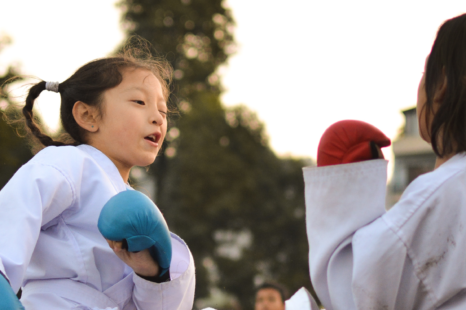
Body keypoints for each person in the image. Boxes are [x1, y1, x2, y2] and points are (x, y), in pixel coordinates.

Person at [0, 45, 195, 309]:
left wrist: (152, 274)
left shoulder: (134, 203)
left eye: (163, 111)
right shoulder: (68, 163)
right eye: (140, 102)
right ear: (88, 115)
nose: (158, 119)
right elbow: (12, 216)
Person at [304, 13, 466, 310]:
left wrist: (343, 191)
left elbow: (355, 291)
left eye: (423, 74)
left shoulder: (445, 190)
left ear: (441, 83)